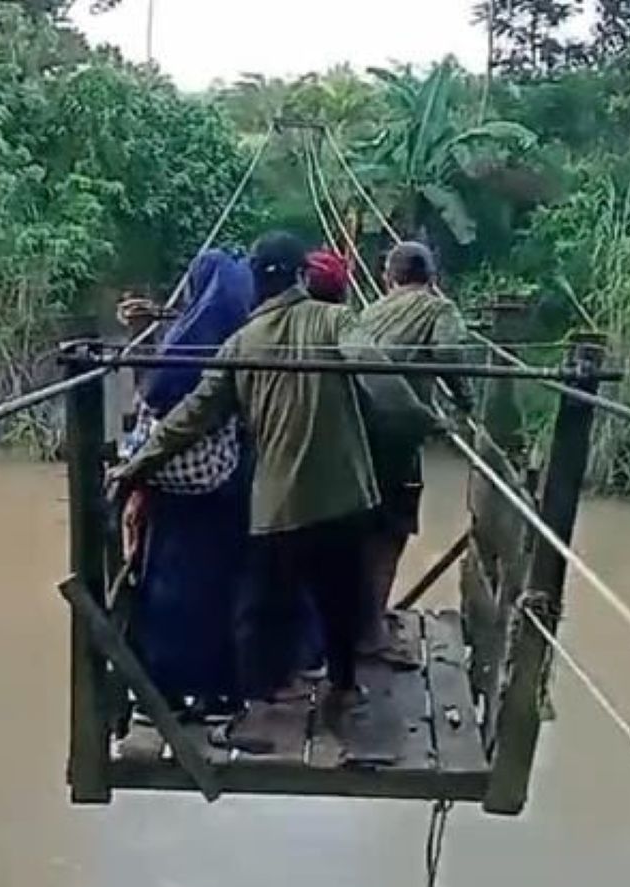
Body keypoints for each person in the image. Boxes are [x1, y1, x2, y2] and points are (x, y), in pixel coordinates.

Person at [109, 232, 437, 715]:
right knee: (340, 599)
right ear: (302, 277)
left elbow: (192, 415)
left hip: (277, 503)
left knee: (258, 605)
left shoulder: (241, 342)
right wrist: (423, 421)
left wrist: (135, 466)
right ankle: (342, 688)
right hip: (345, 494)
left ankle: (254, 697)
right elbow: (377, 375)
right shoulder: (334, 318)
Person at [122, 249, 256, 720]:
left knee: (165, 588)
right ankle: (218, 693)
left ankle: (159, 692)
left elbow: (153, 394)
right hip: (218, 488)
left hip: (168, 486)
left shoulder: (183, 335)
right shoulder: (239, 337)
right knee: (220, 589)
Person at [356, 241, 473, 663]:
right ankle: (371, 630)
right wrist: (465, 398)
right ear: (432, 277)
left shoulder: (370, 311)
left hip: (354, 433)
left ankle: (361, 619)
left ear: (390, 278)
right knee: (392, 529)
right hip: (397, 435)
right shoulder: (438, 309)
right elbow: (448, 353)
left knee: (364, 526)